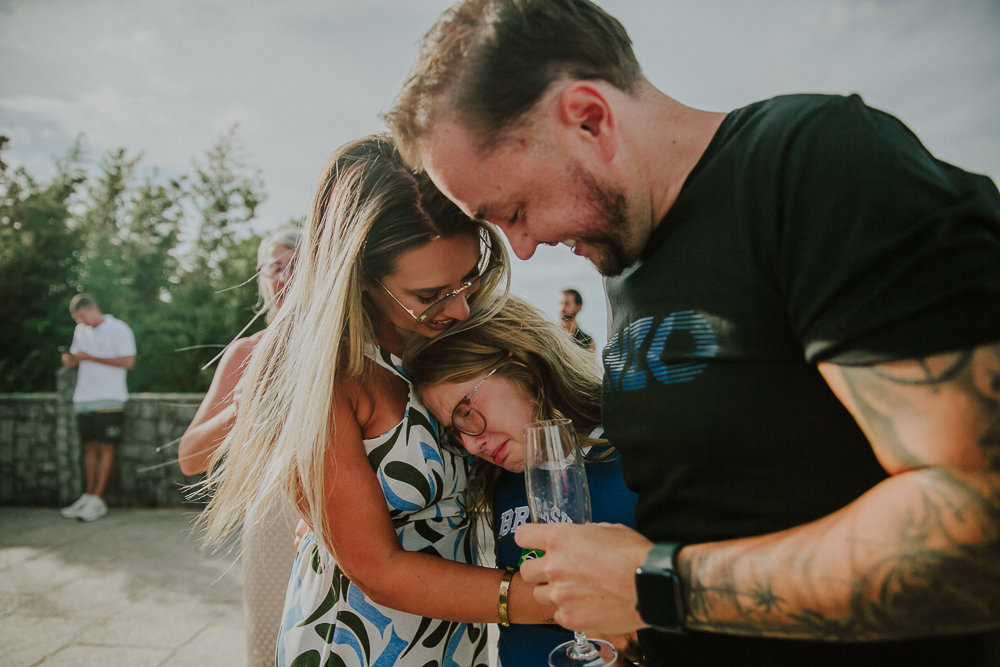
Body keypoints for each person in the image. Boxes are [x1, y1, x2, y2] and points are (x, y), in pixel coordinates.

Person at [384, 1, 1000, 665]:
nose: (525, 247)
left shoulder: (813, 165)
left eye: (516, 209)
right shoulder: (625, 261)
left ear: (588, 118)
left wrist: (658, 587)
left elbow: (980, 523)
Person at [197, 134, 557, 667]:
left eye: (468, 280)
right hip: (359, 642)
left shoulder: (451, 333)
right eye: (430, 295)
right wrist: (555, 601)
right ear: (360, 275)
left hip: (457, 638)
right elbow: (378, 570)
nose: (460, 308)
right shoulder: (321, 372)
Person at [407, 295, 640, 667]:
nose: (471, 444)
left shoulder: (635, 455)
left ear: (522, 365)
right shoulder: (500, 477)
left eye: (466, 411)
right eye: (455, 432)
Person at [177, 227, 301, 667]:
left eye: (297, 263)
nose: (285, 275)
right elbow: (190, 458)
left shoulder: (352, 341)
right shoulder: (246, 351)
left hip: (345, 508)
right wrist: (243, 405)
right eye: (275, 266)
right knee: (271, 650)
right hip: (273, 519)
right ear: (260, 277)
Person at [59, 293, 136, 523]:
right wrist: (71, 360)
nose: (80, 321)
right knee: (88, 447)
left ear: (93, 309)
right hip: (84, 397)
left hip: (109, 397)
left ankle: (98, 499)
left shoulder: (119, 328)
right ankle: (88, 495)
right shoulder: (80, 331)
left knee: (106, 447)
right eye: (77, 318)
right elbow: (77, 358)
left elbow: (128, 362)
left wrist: (90, 357)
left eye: (82, 316)